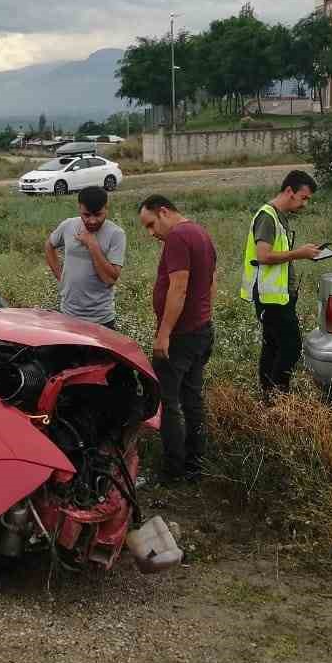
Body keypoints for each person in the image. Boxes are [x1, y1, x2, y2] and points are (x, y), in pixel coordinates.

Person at [138, 195, 216, 484]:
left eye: (150, 224)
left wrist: (164, 333)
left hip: (181, 336)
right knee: (192, 399)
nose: (151, 233)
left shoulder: (179, 237)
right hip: (200, 330)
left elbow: (179, 287)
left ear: (164, 211)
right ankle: (196, 465)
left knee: (168, 401)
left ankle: (173, 471)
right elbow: (211, 281)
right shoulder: (201, 233)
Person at [241, 170, 320, 400]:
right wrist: (300, 253)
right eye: (303, 197)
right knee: (291, 348)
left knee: (273, 347)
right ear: (289, 191)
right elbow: (264, 255)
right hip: (271, 299)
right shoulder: (268, 216)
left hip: (277, 297)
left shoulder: (277, 216)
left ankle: (269, 399)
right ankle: (278, 398)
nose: (305, 204)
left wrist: (301, 252)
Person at [44, 185, 126, 329]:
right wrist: (60, 276)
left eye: (98, 215)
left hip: (101, 320)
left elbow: (109, 279)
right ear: (79, 208)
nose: (92, 221)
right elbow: (49, 245)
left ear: (107, 208)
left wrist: (92, 245)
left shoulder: (116, 234)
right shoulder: (68, 225)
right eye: (87, 215)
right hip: (68, 315)